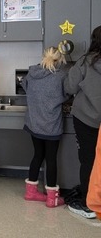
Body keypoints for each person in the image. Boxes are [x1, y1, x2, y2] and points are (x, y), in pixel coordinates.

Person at [21, 46, 68, 208]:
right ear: (60, 59)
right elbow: (66, 94)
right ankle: (51, 198)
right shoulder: (61, 76)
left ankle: (31, 192)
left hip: (34, 124)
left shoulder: (32, 74)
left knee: (37, 155)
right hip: (51, 125)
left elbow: (25, 87)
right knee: (51, 159)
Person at [63, 25, 101, 220]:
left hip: (86, 119)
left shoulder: (85, 62)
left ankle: (89, 204)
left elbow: (69, 87)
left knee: (88, 160)